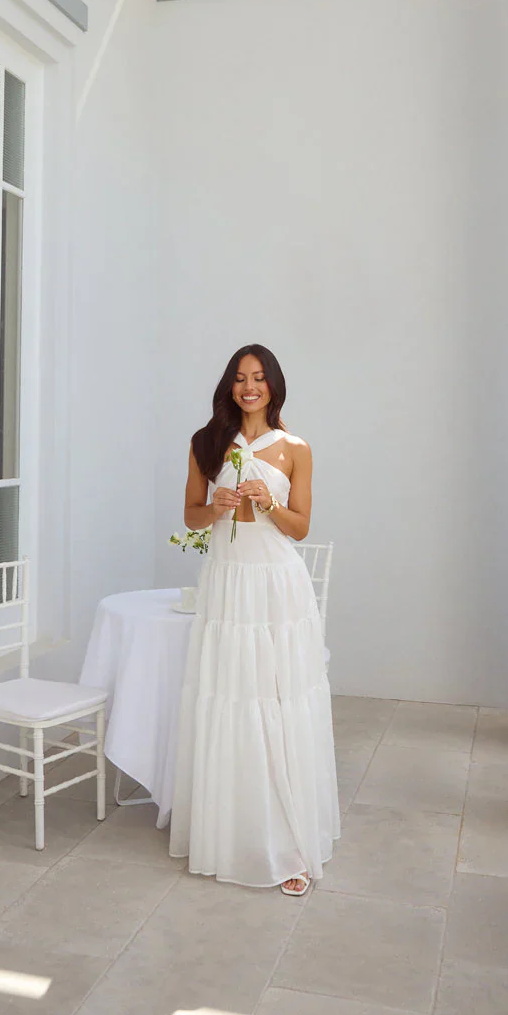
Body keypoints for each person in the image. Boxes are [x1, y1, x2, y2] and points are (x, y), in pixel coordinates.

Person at [169, 344, 341, 894]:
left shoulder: (296, 448)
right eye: (241, 377)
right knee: (231, 699)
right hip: (227, 584)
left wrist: (268, 503)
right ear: (230, 384)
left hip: (277, 588)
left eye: (259, 377)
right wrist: (215, 507)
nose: (249, 387)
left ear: (273, 386)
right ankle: (232, 835)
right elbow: (191, 518)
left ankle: (290, 844)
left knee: (278, 704)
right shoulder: (205, 442)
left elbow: (301, 528)